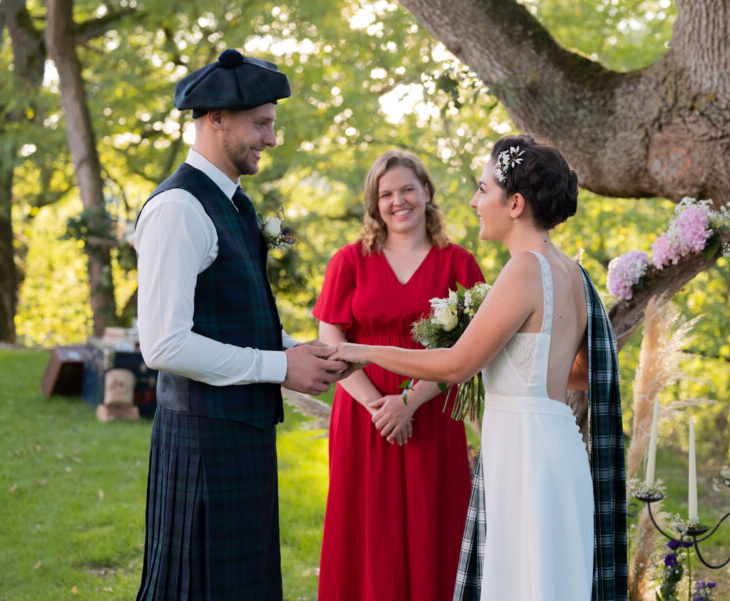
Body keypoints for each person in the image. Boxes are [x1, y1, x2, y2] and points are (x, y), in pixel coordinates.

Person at [333, 135, 629, 601]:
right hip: (552, 445)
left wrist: (364, 352)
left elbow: (456, 365)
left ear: (513, 204)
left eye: (483, 189)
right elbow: (576, 372)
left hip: (527, 454)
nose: (474, 201)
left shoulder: (524, 269)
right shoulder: (569, 270)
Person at [134, 48, 349, 601]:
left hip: (241, 433)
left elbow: (236, 312)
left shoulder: (238, 205)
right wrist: (279, 366)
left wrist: (294, 349)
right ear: (216, 119)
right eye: (261, 124)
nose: (272, 139)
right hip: (203, 442)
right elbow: (162, 344)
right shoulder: (178, 208)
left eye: (271, 124)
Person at [314, 150, 485, 601]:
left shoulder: (459, 264)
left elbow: (470, 348)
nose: (398, 201)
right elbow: (331, 342)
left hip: (432, 411)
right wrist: (381, 407)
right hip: (365, 417)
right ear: (374, 203)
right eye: (385, 194)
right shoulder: (348, 262)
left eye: (408, 189)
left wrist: (409, 401)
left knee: (436, 524)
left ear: (427, 192)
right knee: (367, 531)